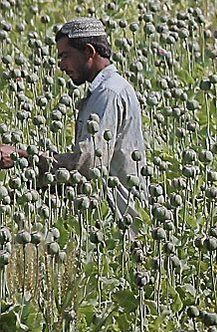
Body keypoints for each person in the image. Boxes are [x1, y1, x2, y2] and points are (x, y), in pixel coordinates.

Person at [0, 18, 148, 229]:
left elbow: (86, 165)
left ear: (89, 51)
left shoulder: (108, 93)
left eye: (65, 56)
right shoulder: (106, 90)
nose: (61, 65)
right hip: (111, 217)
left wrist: (22, 156)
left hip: (120, 220)